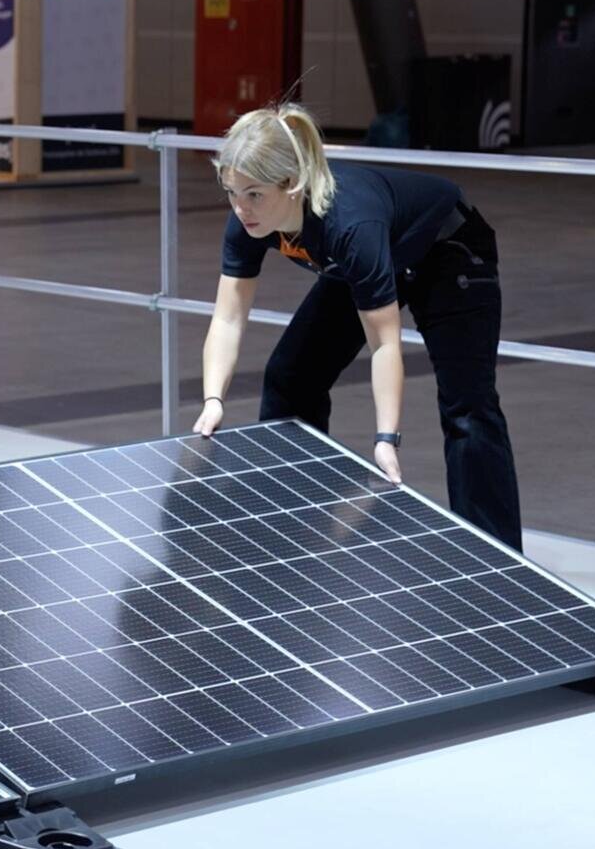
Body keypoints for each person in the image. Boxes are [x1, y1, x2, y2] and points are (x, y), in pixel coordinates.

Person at [193, 103, 523, 550]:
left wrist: (386, 438)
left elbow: (384, 342)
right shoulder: (251, 221)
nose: (241, 207)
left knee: (468, 407)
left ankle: (493, 560)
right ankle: (290, 530)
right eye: (232, 193)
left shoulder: (349, 224)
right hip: (370, 256)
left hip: (448, 250)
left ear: (291, 185)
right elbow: (229, 317)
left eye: (253, 194)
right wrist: (214, 400)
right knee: (292, 377)